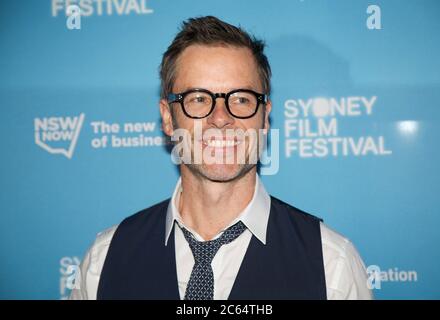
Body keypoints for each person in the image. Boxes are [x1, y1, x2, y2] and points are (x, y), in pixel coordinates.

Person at [70, 16, 373, 300]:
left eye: (241, 99)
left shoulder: (332, 264)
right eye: (199, 99)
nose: (220, 118)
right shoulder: (104, 260)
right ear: (167, 117)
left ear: (265, 118)